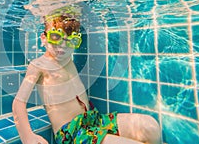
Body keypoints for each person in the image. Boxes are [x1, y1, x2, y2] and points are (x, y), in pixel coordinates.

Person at [12, 13, 162, 144]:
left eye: (71, 41)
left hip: (94, 120)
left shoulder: (67, 58)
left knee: (151, 127)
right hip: (73, 134)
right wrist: (28, 137)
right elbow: (18, 103)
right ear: (43, 38)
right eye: (56, 37)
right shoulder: (38, 65)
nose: (62, 47)